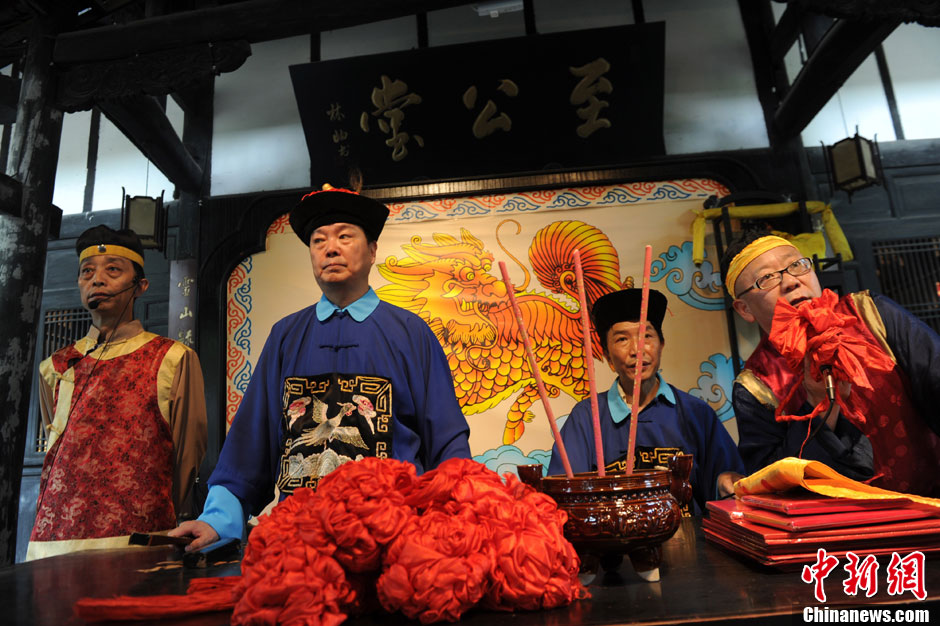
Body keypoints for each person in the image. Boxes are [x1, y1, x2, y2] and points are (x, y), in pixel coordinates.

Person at [172, 185, 472, 550]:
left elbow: (447, 442)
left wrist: (460, 520)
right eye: (318, 241)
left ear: (373, 250)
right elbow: (251, 442)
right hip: (301, 536)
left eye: (345, 237)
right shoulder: (286, 335)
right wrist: (217, 521)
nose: (331, 248)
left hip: (395, 535)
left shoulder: (410, 333)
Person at [27, 225, 207, 560]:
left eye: (113, 269)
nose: (97, 280)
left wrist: (154, 508)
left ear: (140, 286)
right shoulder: (55, 366)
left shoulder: (172, 358)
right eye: (87, 272)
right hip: (54, 542)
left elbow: (187, 456)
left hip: (139, 538)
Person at [723, 231, 940, 496]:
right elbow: (774, 486)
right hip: (841, 531)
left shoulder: (872, 315)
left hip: (930, 508)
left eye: (796, 265)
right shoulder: (755, 385)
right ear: (744, 308)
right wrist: (819, 404)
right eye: (767, 278)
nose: (791, 282)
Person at [547, 288, 745, 515]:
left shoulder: (695, 412)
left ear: (661, 344)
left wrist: (727, 485)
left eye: (646, 336)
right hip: (615, 547)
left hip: (691, 544)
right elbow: (565, 497)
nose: (637, 349)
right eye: (622, 339)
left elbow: (727, 485)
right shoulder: (586, 418)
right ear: (607, 356)